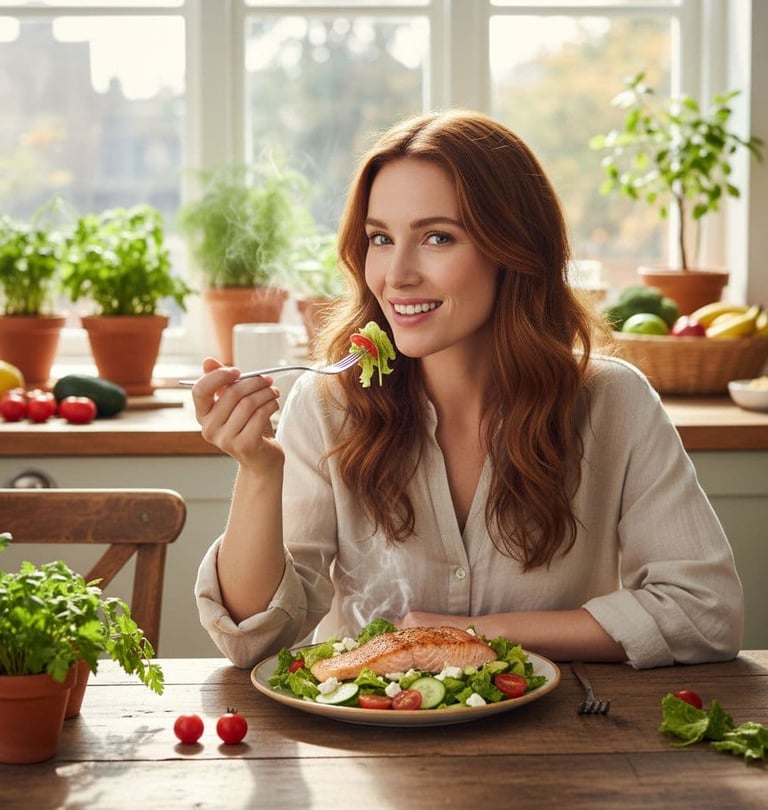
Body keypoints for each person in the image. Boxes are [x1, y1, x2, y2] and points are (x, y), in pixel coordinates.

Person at [192, 110, 743, 670]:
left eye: (437, 237)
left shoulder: (611, 401)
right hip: (367, 747)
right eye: (380, 238)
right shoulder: (328, 405)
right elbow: (252, 640)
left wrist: (474, 634)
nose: (397, 274)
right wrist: (259, 471)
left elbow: (705, 613)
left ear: (514, 250)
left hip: (562, 742)